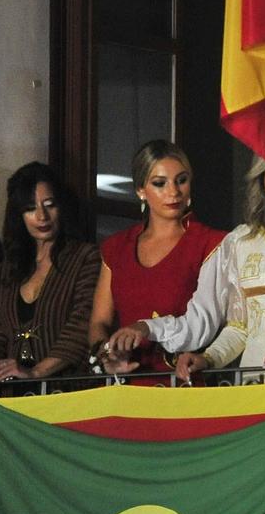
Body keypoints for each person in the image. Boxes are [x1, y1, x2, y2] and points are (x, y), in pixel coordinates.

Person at [122, 127, 265, 380]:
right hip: (253, 383)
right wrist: (208, 358)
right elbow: (238, 329)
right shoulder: (239, 242)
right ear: (262, 174)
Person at [90, 140, 226, 375]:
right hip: (126, 385)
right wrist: (106, 355)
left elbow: (205, 323)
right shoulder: (116, 247)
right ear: (141, 190)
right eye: (160, 183)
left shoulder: (211, 242)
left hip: (185, 383)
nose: (173, 192)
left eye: (181, 180)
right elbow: (99, 321)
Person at [0, 163, 101, 385]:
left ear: (62, 207)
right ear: (19, 215)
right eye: (30, 208)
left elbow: (83, 324)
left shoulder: (85, 257)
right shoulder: (9, 266)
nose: (42, 216)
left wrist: (36, 372)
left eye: (50, 205)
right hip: (11, 395)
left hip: (67, 390)